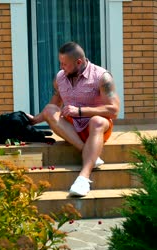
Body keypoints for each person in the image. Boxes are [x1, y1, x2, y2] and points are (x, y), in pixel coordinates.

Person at [28, 42, 120, 197]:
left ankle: (83, 178)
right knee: (50, 109)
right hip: (72, 128)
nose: (62, 67)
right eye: (60, 63)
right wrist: (34, 120)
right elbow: (55, 103)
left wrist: (80, 111)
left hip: (96, 127)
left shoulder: (102, 77)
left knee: (97, 121)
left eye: (65, 64)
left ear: (79, 62)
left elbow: (114, 110)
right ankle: (91, 154)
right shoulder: (60, 77)